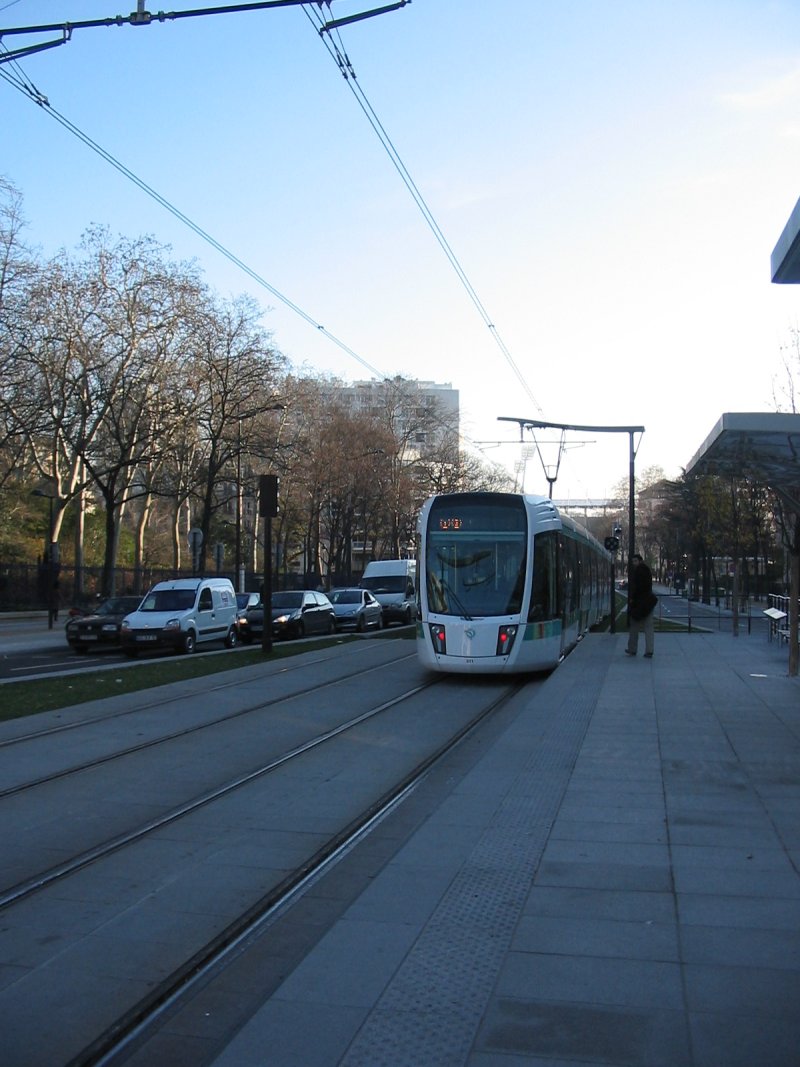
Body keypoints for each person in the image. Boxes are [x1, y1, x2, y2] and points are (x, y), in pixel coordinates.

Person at [626, 553, 656, 658]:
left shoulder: (637, 572)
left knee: (634, 626)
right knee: (649, 627)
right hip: (649, 602)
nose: (634, 563)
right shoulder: (647, 571)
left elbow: (636, 589)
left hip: (639, 604)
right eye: (633, 561)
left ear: (639, 561)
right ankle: (649, 650)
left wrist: (632, 599)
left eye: (635, 561)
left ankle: (632, 649)